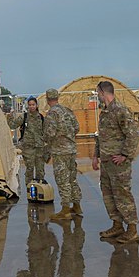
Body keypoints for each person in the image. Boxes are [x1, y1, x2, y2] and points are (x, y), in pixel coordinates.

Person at [92, 80, 139, 243]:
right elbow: (100, 136)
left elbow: (133, 134)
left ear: (103, 93)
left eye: (98, 93)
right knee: (109, 195)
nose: (97, 96)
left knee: (123, 195)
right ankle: (117, 225)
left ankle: (132, 229)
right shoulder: (104, 112)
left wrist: (125, 155)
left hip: (119, 165)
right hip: (106, 164)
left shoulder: (120, 110)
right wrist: (95, 156)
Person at [43, 88, 82, 221]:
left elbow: (50, 133)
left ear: (48, 99)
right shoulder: (67, 111)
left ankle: (65, 210)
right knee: (72, 178)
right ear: (57, 97)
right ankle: (77, 205)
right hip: (71, 150)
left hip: (60, 151)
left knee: (62, 179)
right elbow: (77, 127)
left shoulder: (52, 114)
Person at [7, 97, 46, 186]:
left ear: (37, 105)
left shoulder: (41, 118)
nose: (32, 106)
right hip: (28, 149)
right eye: (30, 105)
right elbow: (13, 125)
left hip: (39, 148)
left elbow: (45, 132)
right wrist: (10, 117)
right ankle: (30, 189)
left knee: (40, 170)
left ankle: (40, 188)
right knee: (29, 170)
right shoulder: (24, 117)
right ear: (27, 106)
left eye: (33, 104)